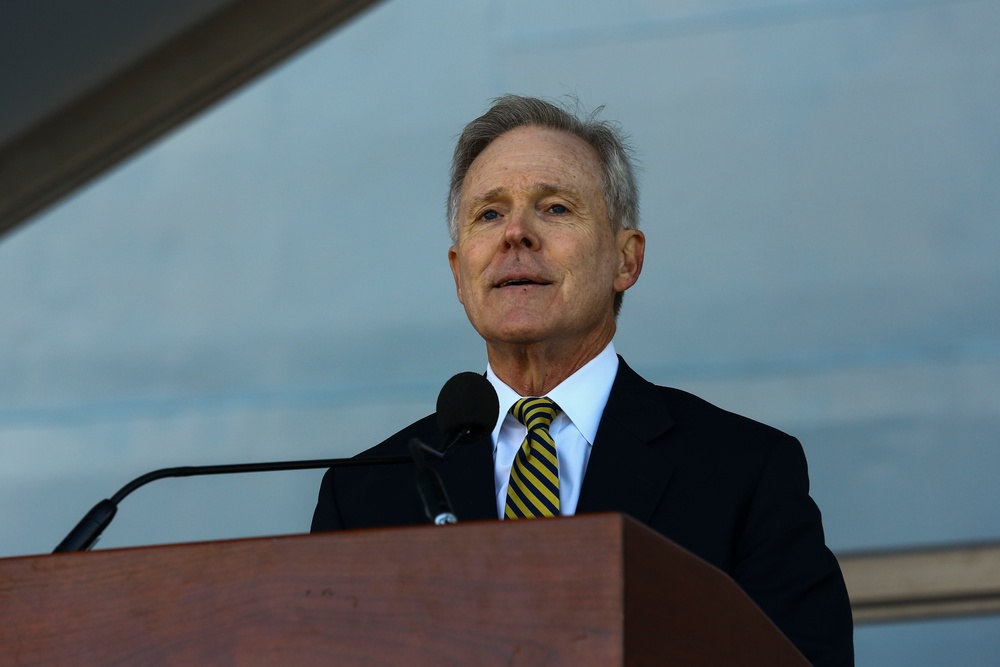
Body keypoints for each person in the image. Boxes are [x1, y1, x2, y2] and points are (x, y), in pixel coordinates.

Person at [312, 95, 854, 665]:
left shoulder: (746, 471)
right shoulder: (366, 494)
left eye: (555, 208)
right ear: (458, 271)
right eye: (489, 214)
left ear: (626, 260)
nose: (515, 233)